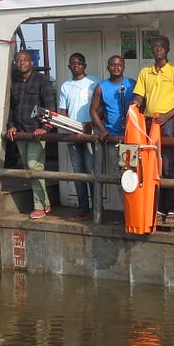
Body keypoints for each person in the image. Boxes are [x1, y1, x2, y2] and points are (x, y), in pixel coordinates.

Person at [131, 36, 174, 224]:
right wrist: (134, 105)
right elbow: (139, 96)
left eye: (162, 46)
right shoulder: (145, 72)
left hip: (168, 122)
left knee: (169, 165)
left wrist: (169, 115)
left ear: (167, 49)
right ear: (152, 50)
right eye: (155, 46)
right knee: (152, 166)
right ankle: (158, 208)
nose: (158, 49)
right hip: (148, 122)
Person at [6, 50, 55, 219]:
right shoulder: (15, 83)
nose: (21, 63)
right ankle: (46, 202)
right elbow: (11, 107)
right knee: (30, 168)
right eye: (18, 61)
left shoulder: (42, 81)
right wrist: (11, 126)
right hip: (20, 132)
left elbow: (50, 106)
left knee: (34, 167)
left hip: (36, 133)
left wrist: (45, 128)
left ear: (32, 63)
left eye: (25, 60)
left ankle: (39, 206)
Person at [58, 53, 99, 222]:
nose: (76, 65)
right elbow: (63, 111)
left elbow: (100, 107)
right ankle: (83, 210)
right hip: (72, 133)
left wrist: (91, 124)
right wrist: (67, 126)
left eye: (79, 63)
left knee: (91, 172)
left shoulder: (94, 82)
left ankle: (97, 209)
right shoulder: (65, 86)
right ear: (69, 66)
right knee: (78, 173)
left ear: (85, 65)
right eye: (73, 63)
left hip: (90, 132)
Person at [90, 55, 136, 182]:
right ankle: (121, 203)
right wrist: (102, 129)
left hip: (131, 137)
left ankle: (132, 203)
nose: (116, 67)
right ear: (108, 67)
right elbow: (93, 110)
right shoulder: (101, 87)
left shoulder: (132, 84)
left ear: (124, 67)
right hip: (113, 137)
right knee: (117, 175)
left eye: (119, 64)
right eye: (113, 65)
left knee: (132, 175)